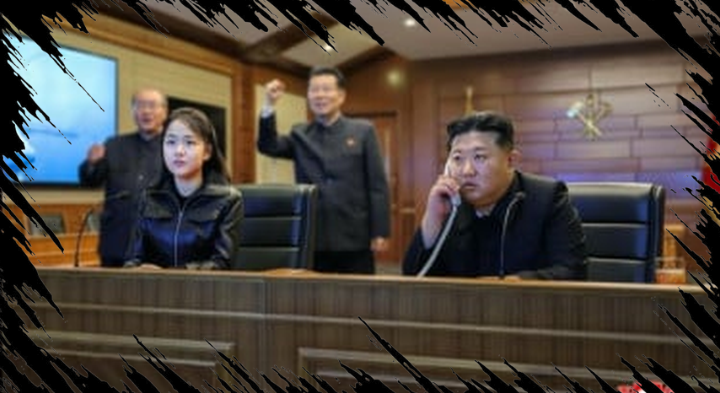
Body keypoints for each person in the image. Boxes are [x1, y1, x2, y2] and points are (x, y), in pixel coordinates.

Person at [402, 111, 587, 280]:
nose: (467, 171)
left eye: (479, 157)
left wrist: (510, 285)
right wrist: (432, 218)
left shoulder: (547, 198)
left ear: (510, 161)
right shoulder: (451, 205)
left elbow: (573, 271)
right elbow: (412, 278)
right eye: (458, 158)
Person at [257, 66, 391, 274]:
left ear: (341, 95)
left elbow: (377, 185)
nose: (320, 95)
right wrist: (268, 105)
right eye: (314, 90)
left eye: (326, 89)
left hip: (354, 235)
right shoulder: (300, 133)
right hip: (313, 235)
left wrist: (380, 231)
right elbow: (269, 146)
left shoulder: (363, 131)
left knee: (357, 291)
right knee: (314, 292)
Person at [124, 107, 243, 270]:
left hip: (202, 286)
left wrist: (169, 274)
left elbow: (221, 264)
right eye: (171, 142)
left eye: (189, 142)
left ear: (207, 152)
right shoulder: (149, 197)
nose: (178, 151)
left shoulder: (228, 200)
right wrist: (135, 271)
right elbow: (132, 259)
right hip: (152, 286)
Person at [79, 88, 168, 267]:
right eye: (140, 106)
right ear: (133, 111)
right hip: (116, 242)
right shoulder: (114, 145)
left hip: (159, 243)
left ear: (165, 112)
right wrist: (91, 164)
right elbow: (91, 181)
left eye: (152, 105)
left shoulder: (173, 147)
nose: (146, 111)